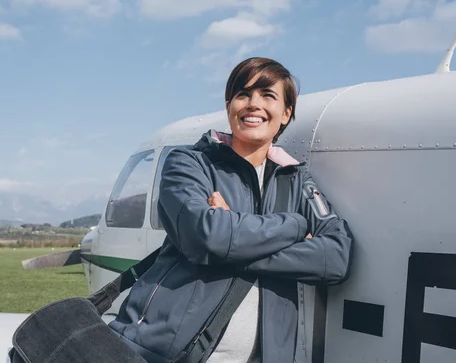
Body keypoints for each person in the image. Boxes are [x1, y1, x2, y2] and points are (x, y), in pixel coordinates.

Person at [109, 57, 353, 363]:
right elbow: (205, 238)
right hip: (165, 354)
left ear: (286, 113)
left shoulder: (297, 180)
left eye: (268, 95)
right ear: (229, 107)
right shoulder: (189, 164)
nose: (253, 104)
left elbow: (336, 258)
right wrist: (293, 226)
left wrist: (233, 241)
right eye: (242, 94)